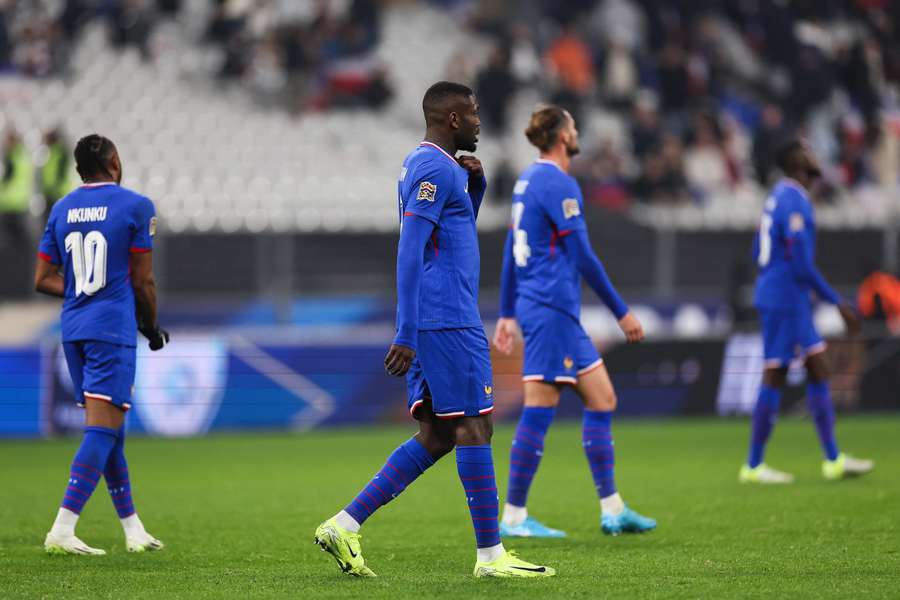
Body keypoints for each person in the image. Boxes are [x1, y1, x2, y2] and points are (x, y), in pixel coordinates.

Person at [314, 82, 554, 578]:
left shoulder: (440, 168)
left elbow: (450, 232)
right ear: (451, 119)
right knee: (474, 426)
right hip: (446, 318)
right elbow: (411, 248)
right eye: (472, 114)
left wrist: (478, 189)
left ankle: (345, 524)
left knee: (439, 434)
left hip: (442, 316)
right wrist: (406, 330)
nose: (479, 122)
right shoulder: (431, 166)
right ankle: (491, 557)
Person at [493, 105, 656, 538]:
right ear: (563, 136)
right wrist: (621, 311)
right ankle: (513, 516)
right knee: (539, 407)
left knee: (602, 398)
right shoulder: (557, 182)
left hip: (549, 308)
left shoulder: (527, 180)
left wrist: (508, 312)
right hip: (549, 308)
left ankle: (613, 509)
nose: (578, 130)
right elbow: (583, 255)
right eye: (573, 125)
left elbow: (514, 247)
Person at [35, 134, 170, 554]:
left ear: (78, 169)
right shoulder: (135, 206)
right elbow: (143, 281)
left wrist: (81, 292)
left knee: (111, 430)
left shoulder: (61, 208)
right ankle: (62, 527)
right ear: (114, 161)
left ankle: (133, 529)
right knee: (101, 430)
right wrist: (150, 326)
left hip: (73, 331)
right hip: (111, 330)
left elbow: (43, 279)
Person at [741, 140, 874, 484]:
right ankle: (755, 466)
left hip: (785, 296)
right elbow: (800, 264)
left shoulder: (777, 197)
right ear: (796, 162)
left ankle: (832, 459)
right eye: (807, 151)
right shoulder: (794, 199)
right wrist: (838, 302)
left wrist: (772, 278)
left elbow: (759, 248)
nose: (815, 154)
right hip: (786, 298)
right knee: (778, 373)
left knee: (816, 369)